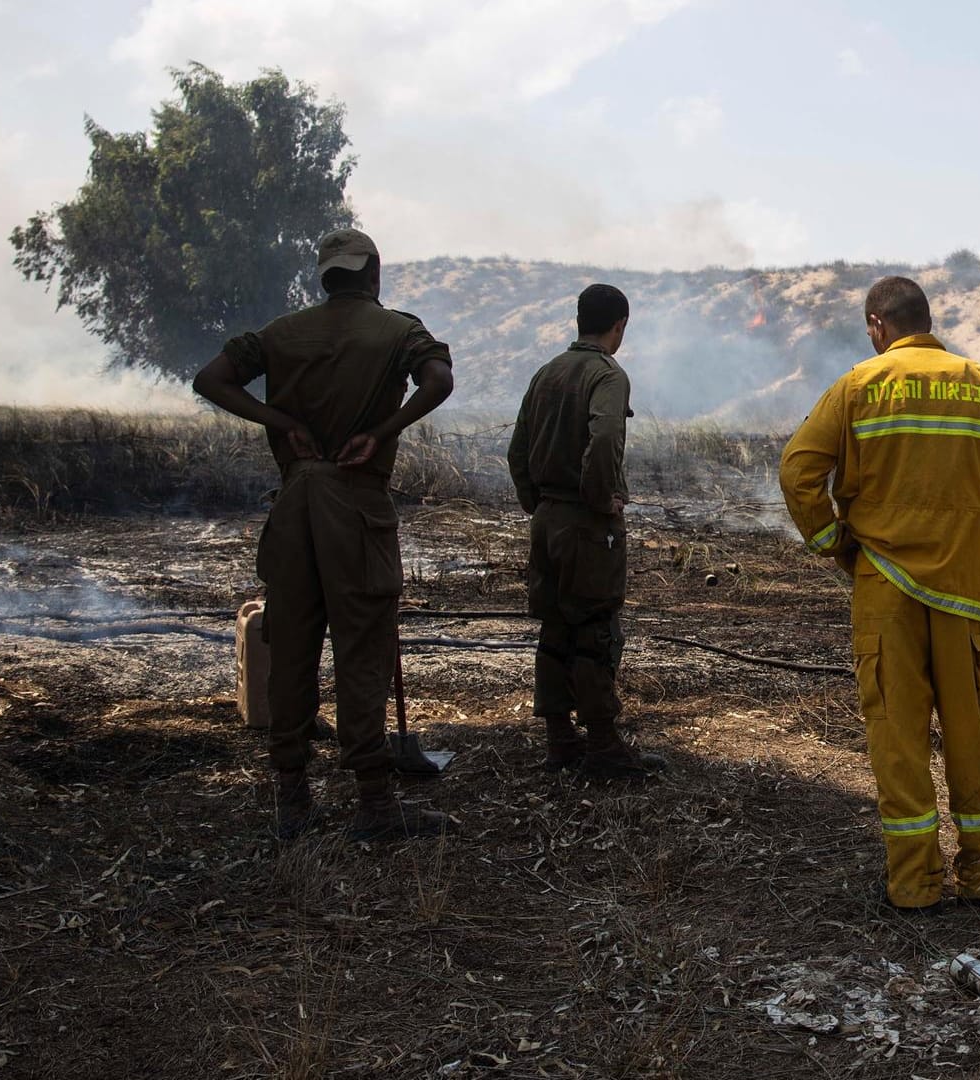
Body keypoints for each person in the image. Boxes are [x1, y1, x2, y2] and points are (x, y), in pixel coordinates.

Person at [192, 228, 456, 841]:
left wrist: (279, 419)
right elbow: (438, 382)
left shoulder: (281, 334)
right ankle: (375, 806)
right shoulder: (397, 330)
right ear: (373, 275)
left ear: (324, 276)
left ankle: (292, 798)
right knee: (361, 648)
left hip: (294, 503)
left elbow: (211, 378)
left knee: (291, 647)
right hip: (355, 502)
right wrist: (382, 429)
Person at [779, 276, 980, 913]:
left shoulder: (859, 385)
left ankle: (915, 885)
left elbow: (797, 471)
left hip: (884, 588)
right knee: (970, 735)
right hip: (968, 594)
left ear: (877, 324)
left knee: (898, 739)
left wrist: (840, 546)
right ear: (927, 319)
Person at [507, 284, 665, 783]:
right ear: (619, 326)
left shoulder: (546, 373)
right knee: (596, 628)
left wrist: (538, 504)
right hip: (585, 524)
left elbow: (517, 450)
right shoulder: (607, 375)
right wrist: (599, 501)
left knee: (555, 627)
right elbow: (603, 441)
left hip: (547, 519)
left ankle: (560, 740)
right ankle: (602, 745)